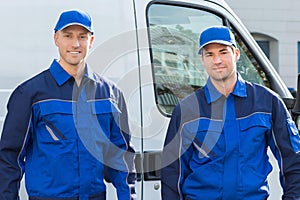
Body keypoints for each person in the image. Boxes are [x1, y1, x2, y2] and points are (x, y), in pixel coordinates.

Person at [0, 9, 136, 199]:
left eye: (82, 36)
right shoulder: (30, 94)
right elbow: (9, 158)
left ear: (91, 41)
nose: (75, 43)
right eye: (68, 36)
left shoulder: (110, 95)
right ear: (56, 39)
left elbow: (121, 157)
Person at [161, 25, 300, 199]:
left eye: (223, 52)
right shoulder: (187, 110)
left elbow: (293, 160)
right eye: (209, 54)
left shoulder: (266, 102)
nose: (217, 60)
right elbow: (172, 172)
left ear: (236, 54)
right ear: (202, 60)